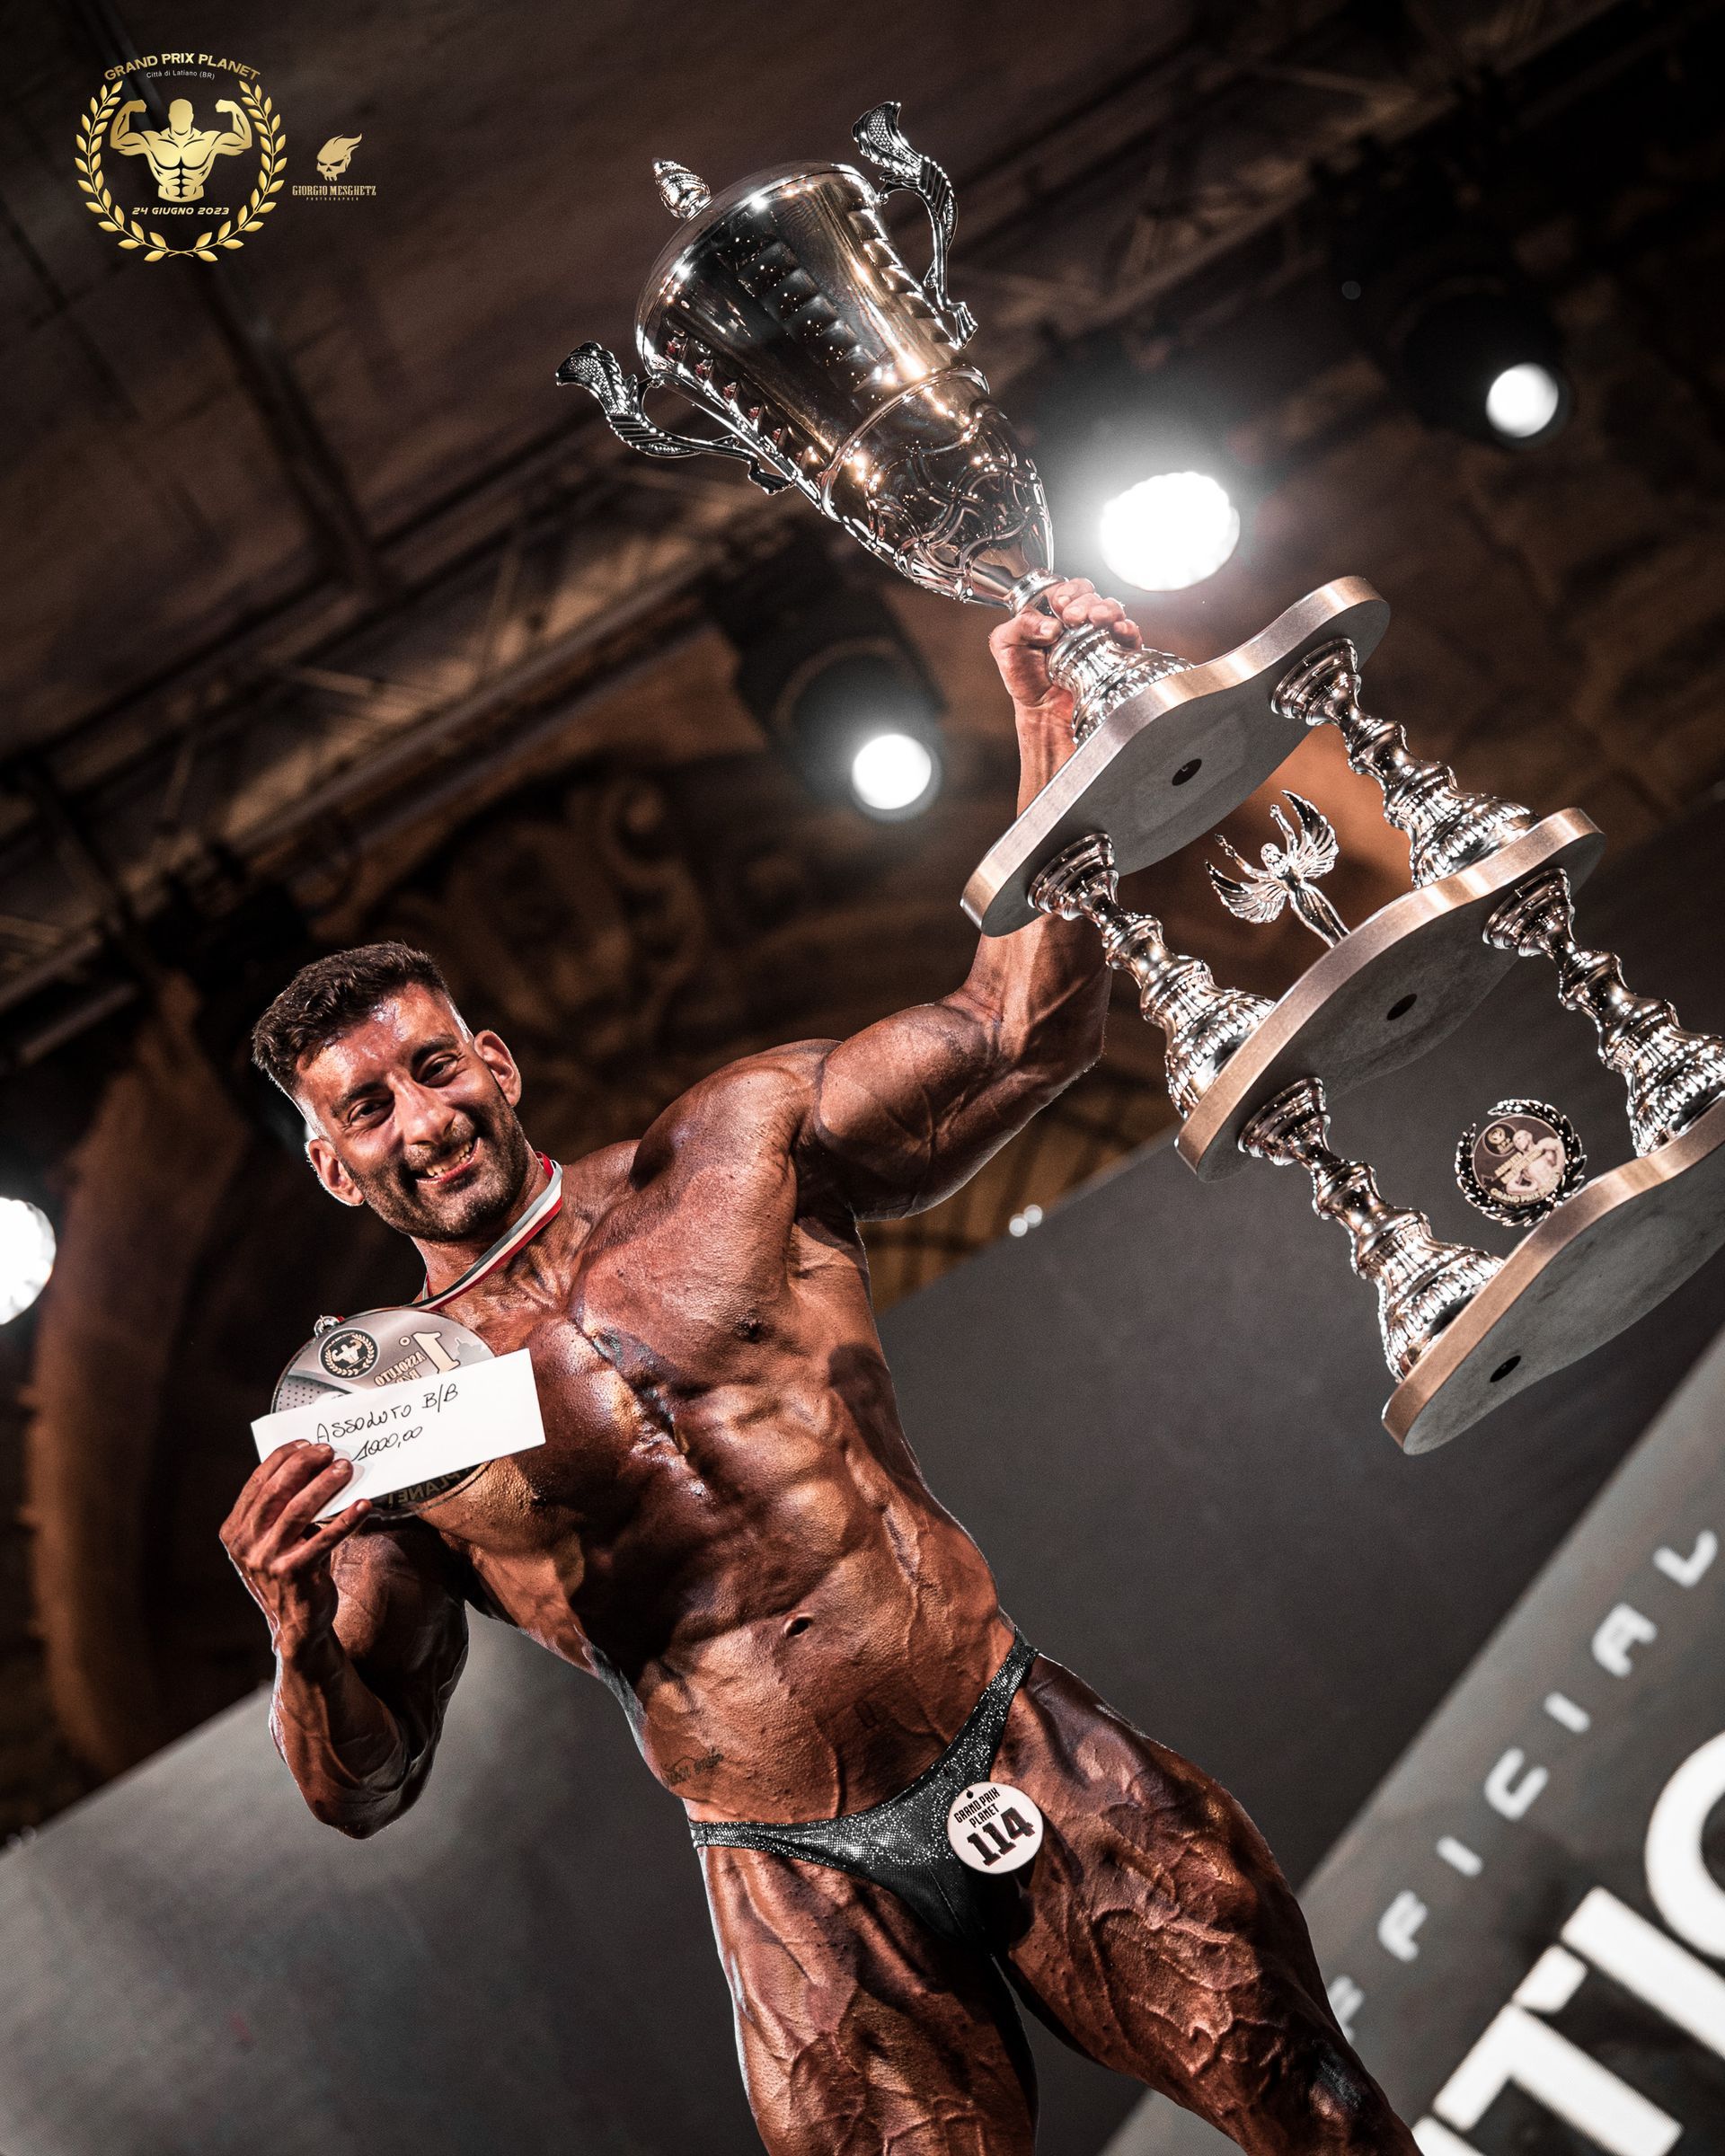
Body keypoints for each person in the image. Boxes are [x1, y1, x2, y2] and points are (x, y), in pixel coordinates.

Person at [223, 579, 1415, 2155]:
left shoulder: (734, 1149)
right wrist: (297, 1633)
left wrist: (1050, 728)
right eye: (367, 1109)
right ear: (330, 1164)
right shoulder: (376, 1419)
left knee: (1320, 2113)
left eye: (434, 1067)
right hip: (797, 1877)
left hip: (1016, 1737)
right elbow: (366, 1784)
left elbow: (1023, 1033)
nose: (422, 1119)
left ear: (492, 1061)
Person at [110, 95, 252, 203]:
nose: (181, 119)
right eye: (177, 115)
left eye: (184, 115)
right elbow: (118, 141)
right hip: (163, 197)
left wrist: (234, 109)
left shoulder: (207, 140)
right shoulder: (154, 140)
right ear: (170, 117)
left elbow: (243, 141)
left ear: (191, 117)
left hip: (198, 196)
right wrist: (127, 109)